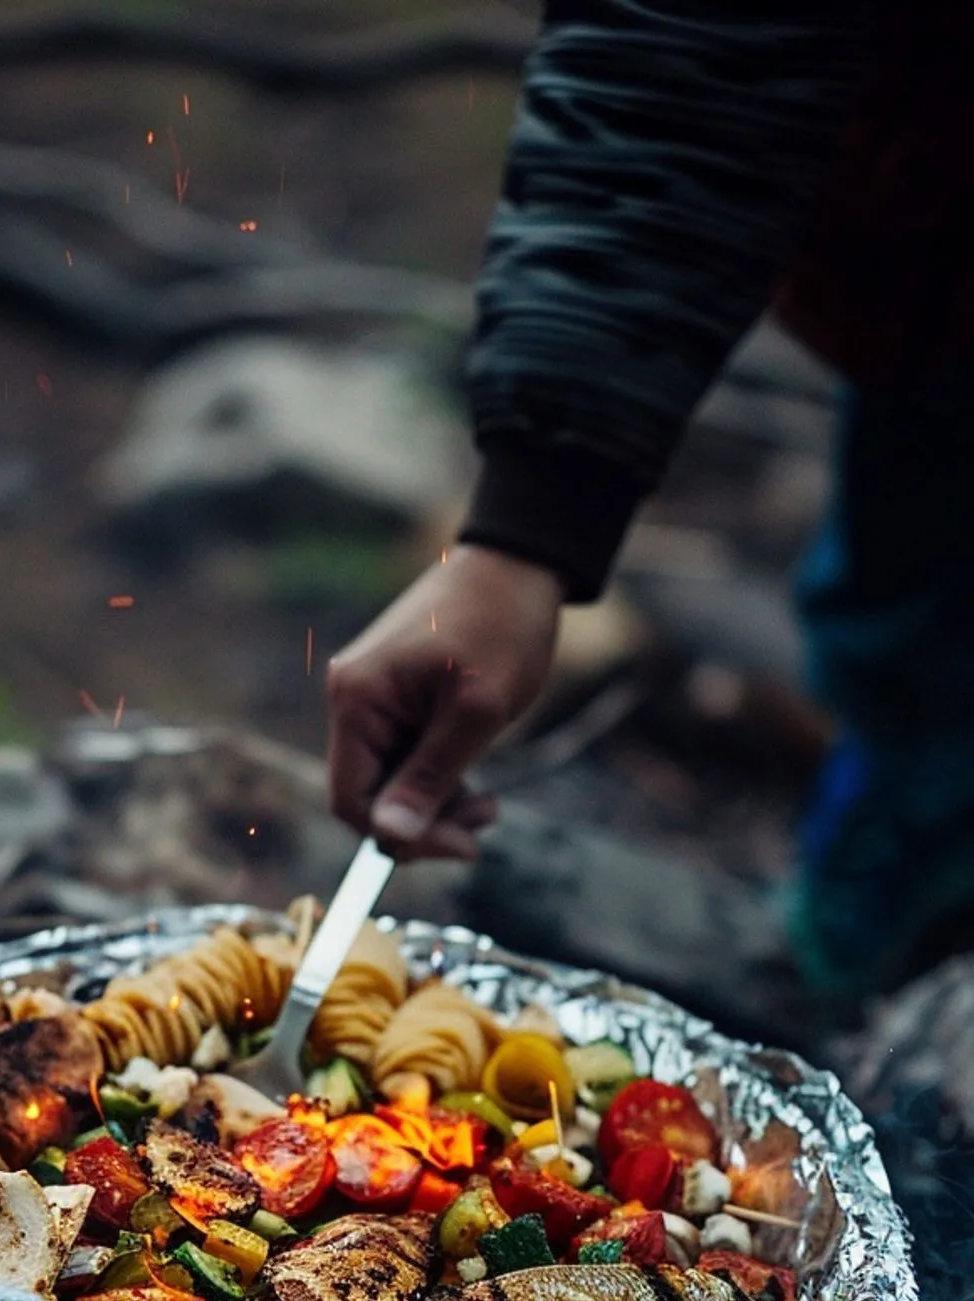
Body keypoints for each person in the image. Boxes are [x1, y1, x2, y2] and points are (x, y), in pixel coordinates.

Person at [326, 1, 974, 1000]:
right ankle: (893, 837)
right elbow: (682, 46)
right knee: (898, 614)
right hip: (941, 299)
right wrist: (521, 535)